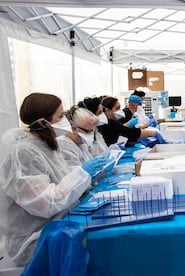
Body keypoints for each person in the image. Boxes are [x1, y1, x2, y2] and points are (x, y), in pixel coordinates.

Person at [0, 92, 109, 265]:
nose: (66, 121)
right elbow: (47, 203)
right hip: (34, 239)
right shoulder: (24, 153)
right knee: (104, 243)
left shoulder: (47, 146)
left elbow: (61, 177)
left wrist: (82, 173)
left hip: (57, 224)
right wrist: (83, 173)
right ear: (43, 122)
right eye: (60, 116)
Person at [99, 96, 165, 146]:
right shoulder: (108, 122)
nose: (120, 111)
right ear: (108, 110)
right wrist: (154, 133)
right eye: (117, 108)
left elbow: (121, 129)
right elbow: (128, 132)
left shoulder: (113, 121)